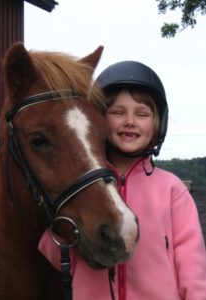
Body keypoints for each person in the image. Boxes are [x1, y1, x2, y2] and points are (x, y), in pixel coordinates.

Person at [38, 61, 206, 299]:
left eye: (141, 114)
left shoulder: (171, 189)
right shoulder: (83, 187)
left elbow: (193, 266)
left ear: (158, 123)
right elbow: (59, 255)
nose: (130, 121)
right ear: (99, 120)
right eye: (117, 112)